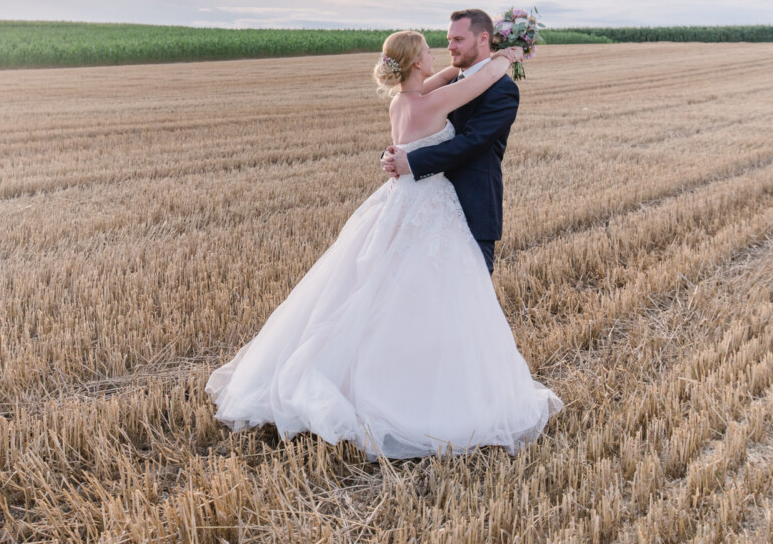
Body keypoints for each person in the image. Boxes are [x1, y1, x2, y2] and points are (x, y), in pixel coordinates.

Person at [205, 28, 562, 460]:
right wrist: (507, 55)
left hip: (399, 202)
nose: (438, 53)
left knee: (377, 291)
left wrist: (465, 61)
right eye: (430, 51)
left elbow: (451, 76)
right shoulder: (433, 102)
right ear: (415, 63)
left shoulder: (404, 99)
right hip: (428, 203)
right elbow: (479, 83)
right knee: (427, 296)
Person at [382, 9, 515, 274]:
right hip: (426, 209)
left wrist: (408, 160)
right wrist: (507, 57)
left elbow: (472, 142)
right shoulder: (447, 88)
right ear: (417, 62)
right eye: (447, 40)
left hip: (471, 206)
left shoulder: (503, 90)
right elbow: (480, 75)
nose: (448, 47)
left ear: (483, 39)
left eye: (457, 39)